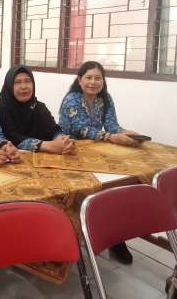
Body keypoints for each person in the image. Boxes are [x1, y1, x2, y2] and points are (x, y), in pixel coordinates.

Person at [58, 60, 137, 264]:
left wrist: (126, 133)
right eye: (88, 78)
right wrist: (111, 137)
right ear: (79, 80)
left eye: (98, 78)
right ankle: (82, 235)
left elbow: (112, 125)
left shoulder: (105, 99)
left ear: (103, 81)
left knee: (116, 186)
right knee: (91, 192)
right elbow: (82, 129)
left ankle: (115, 237)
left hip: (96, 151)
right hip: (68, 152)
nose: (93, 82)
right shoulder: (72, 99)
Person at [0, 65, 74, 154]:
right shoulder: (1, 109)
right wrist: (46, 145)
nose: (24, 86)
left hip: (42, 159)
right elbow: (12, 137)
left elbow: (54, 130)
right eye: (17, 82)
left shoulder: (39, 107)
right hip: (11, 159)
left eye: (27, 81)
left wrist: (62, 140)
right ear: (9, 86)